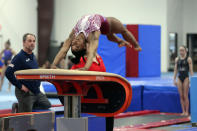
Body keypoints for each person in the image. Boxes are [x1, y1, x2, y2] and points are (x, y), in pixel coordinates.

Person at [51, 14, 141, 70]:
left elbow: (63, 50)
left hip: (103, 26)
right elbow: (92, 52)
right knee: (123, 31)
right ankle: (136, 45)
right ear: (85, 46)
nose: (75, 42)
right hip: (108, 23)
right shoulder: (92, 35)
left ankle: (120, 41)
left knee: (110, 36)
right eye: (77, 47)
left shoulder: (74, 33)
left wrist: (53, 65)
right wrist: (86, 68)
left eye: (73, 45)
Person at [5, 33, 51, 113]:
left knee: (47, 104)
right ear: (24, 43)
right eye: (29, 41)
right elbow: (8, 72)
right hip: (25, 92)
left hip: (36, 91)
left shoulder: (33, 56)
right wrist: (20, 86)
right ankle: (21, 107)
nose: (32, 43)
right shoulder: (19, 57)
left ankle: (22, 106)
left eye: (33, 41)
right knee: (26, 116)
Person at [173, 45, 193, 116]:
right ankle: (183, 111)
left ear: (185, 51)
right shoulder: (177, 59)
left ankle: (187, 111)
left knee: (185, 95)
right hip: (179, 77)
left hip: (186, 78)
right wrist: (174, 79)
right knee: (181, 95)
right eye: (180, 50)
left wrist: (192, 79)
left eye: (182, 50)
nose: (181, 52)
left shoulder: (188, 59)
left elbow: (191, 70)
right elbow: (175, 70)